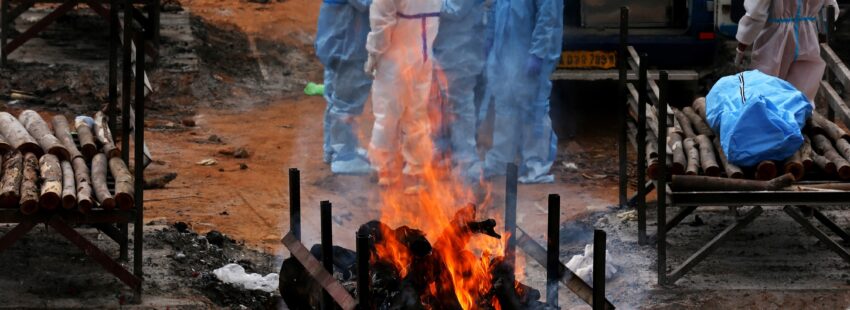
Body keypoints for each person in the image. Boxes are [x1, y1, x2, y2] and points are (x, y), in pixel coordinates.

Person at [480, 0, 564, 184]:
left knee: (534, 110)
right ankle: (501, 161)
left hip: (528, 53)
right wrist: (489, 40)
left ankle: (536, 165)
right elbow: (496, 8)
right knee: (504, 107)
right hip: (504, 52)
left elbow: (548, 17)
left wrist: (538, 53)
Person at [365, 0, 443, 189]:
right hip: (424, 58)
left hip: (395, 60)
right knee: (416, 117)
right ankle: (417, 172)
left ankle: (384, 169)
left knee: (386, 117)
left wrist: (373, 55)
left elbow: (382, 24)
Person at [431, 0, 489, 182]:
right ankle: (446, 154)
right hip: (448, 49)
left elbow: (455, 9)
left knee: (460, 106)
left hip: (462, 51)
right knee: (442, 105)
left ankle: (467, 163)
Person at [735, 0, 839, 102]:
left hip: (773, 40)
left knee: (766, 93)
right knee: (800, 97)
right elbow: (830, 10)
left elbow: (756, 13)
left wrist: (742, 45)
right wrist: (822, 32)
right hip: (807, 38)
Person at [316, 0, 373, 174]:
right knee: (346, 102)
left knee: (336, 97)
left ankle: (334, 148)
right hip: (348, 43)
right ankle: (344, 157)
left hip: (337, 39)